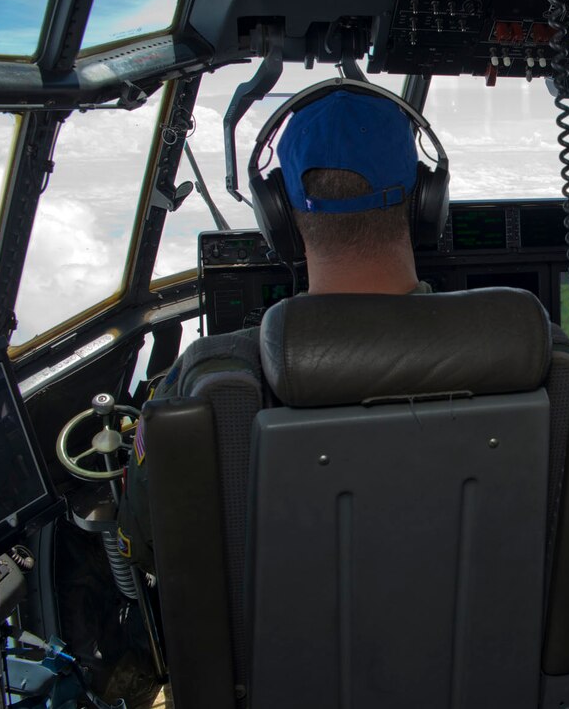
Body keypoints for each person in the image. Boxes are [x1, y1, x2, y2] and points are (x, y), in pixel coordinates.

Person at [116, 89, 444, 572]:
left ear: (277, 215)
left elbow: (144, 545)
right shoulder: (526, 349)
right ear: (426, 200)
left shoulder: (209, 378)